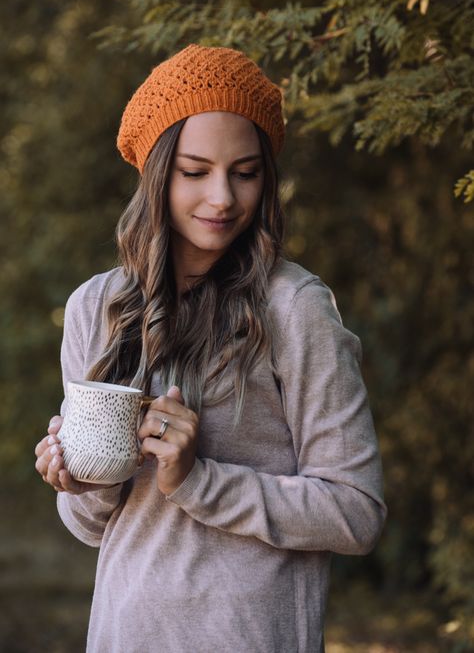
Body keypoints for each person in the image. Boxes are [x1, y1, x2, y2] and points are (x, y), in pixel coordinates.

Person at [34, 44, 387, 652]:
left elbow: (356, 512)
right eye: (195, 172)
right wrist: (81, 482)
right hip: (125, 634)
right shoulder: (96, 307)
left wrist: (198, 480)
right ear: (156, 174)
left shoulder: (294, 308)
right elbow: (94, 529)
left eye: (245, 172)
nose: (223, 198)